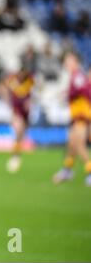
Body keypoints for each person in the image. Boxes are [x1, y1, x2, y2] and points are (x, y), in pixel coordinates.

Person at [52, 52, 91, 187]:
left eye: (69, 61)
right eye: (66, 62)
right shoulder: (76, 77)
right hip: (77, 116)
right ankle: (67, 170)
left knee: (79, 145)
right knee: (72, 144)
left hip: (82, 116)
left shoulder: (78, 76)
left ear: (76, 62)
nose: (66, 64)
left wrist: (67, 94)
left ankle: (89, 172)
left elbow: (86, 93)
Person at [0, 67, 35, 173]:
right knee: (18, 131)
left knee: (22, 136)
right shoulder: (12, 81)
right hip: (16, 112)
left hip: (26, 113)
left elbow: (33, 92)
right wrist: (6, 99)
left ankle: (17, 154)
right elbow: (1, 86)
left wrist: (30, 102)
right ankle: (14, 157)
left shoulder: (29, 81)